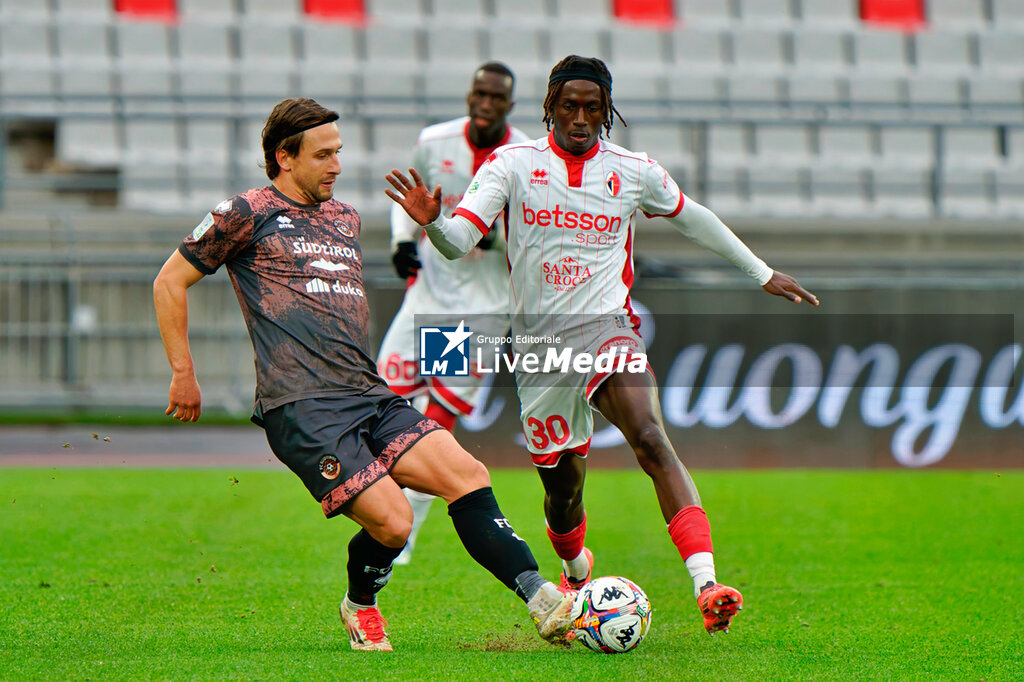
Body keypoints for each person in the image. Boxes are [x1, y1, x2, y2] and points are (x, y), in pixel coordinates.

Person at [386, 56, 820, 636]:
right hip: (536, 348)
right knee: (563, 496)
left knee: (649, 436)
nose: (582, 118)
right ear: (550, 108)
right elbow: (461, 237)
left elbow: (696, 219)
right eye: (571, 106)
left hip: (605, 330)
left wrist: (761, 272)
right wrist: (434, 223)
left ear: (607, 110)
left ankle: (707, 582)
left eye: (594, 107)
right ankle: (573, 569)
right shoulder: (512, 165)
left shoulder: (634, 170)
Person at [152, 98, 576, 652]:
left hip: (369, 393)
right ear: (284, 157)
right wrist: (184, 372)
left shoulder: (344, 217)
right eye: (323, 155)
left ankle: (543, 599)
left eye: (339, 153)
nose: (337, 166)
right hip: (301, 406)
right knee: (395, 525)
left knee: (467, 474)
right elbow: (169, 281)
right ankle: (361, 604)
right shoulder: (245, 212)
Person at [377, 62, 530, 566]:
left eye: (497, 97)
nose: (486, 103)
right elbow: (409, 197)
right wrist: (402, 240)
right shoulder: (435, 141)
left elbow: (534, 237)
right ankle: (381, 515)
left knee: (432, 427)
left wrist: (494, 235)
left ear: (509, 105)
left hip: (476, 312)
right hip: (426, 298)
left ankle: (403, 535)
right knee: (379, 410)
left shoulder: (526, 157)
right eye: (479, 93)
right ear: (469, 96)